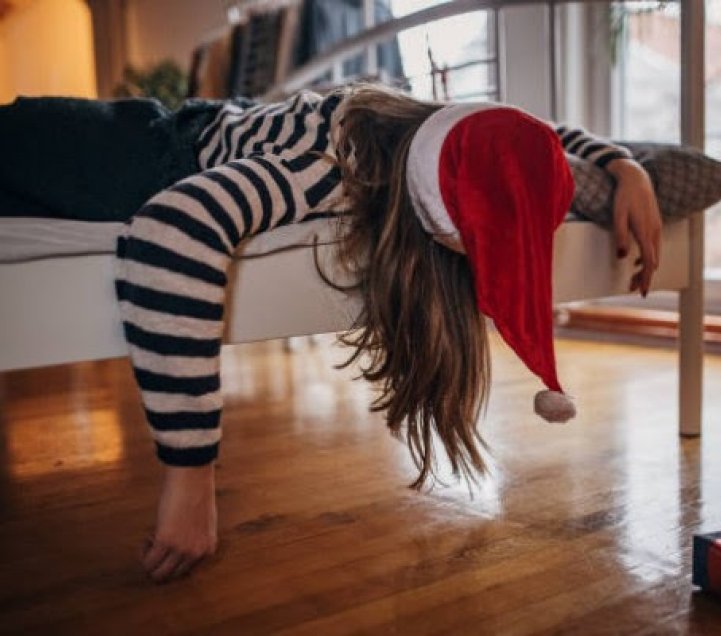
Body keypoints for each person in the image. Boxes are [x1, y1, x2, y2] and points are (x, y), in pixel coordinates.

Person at [0, 83, 662, 583]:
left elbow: (541, 133)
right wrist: (190, 476)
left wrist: (623, 166)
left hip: (186, 119)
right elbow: (169, 230)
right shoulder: (330, 171)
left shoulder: (418, 122)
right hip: (97, 152)